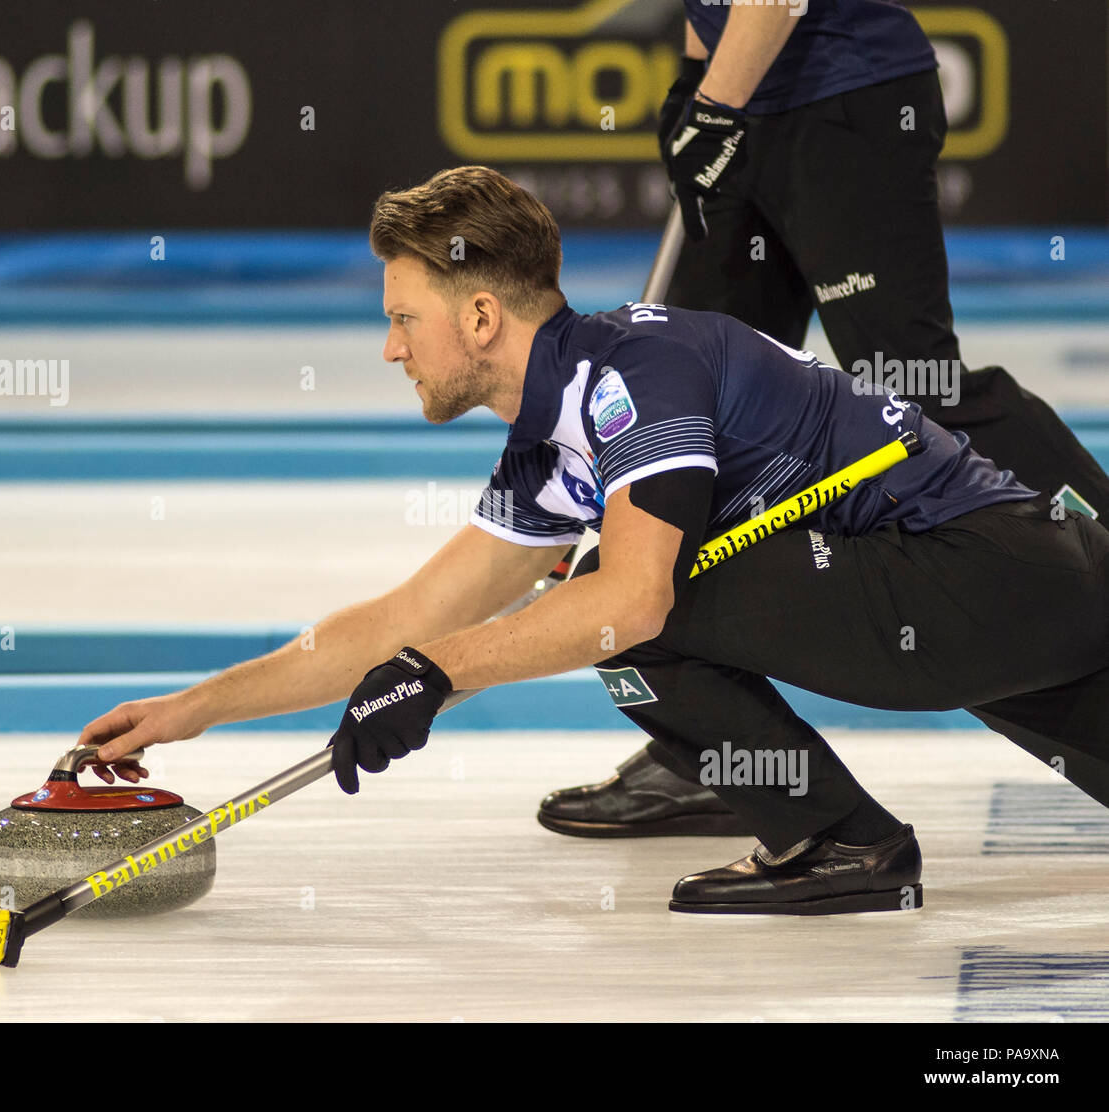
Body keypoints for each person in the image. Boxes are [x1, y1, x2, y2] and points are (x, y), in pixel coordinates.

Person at [79, 166, 1109, 915]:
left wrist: (435, 672)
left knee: (613, 597)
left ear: (479, 313)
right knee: (595, 587)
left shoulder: (630, 378)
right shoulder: (549, 443)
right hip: (981, 596)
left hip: (988, 574)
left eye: (404, 318)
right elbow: (409, 618)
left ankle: (839, 839)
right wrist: (193, 708)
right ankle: (829, 829)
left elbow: (634, 603)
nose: (390, 346)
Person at [537, 0, 1109, 839]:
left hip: (842, 99)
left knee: (915, 380)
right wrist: (698, 78)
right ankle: (711, 747)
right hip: (743, 96)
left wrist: (714, 104)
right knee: (699, 422)